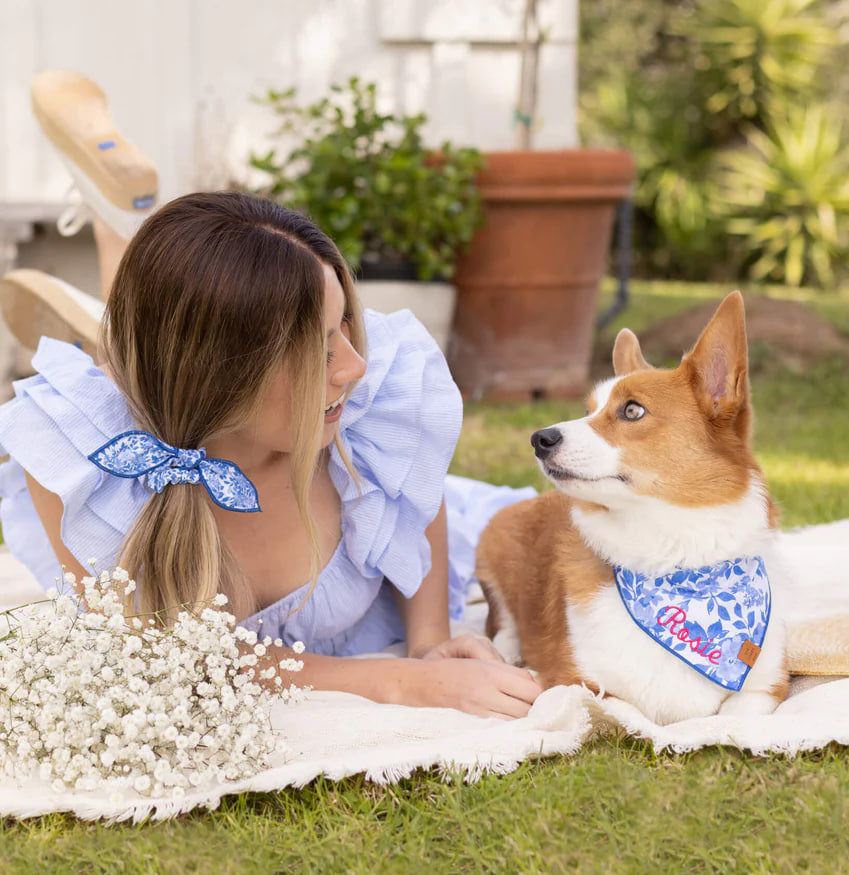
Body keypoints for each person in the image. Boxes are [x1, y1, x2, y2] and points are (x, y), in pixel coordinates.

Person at [0, 72, 542, 719]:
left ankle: (118, 243)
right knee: (148, 364)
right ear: (224, 370)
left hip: (189, 378)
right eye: (318, 350)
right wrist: (396, 681)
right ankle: (115, 252)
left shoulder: (366, 418)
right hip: (177, 395)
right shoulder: (93, 476)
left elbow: (416, 491)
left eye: (346, 325)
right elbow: (173, 659)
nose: (356, 366)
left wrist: (427, 639)